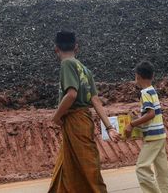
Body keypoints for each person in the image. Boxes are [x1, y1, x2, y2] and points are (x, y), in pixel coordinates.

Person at [48, 30, 120, 193]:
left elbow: (71, 94)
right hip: (84, 121)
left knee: (87, 170)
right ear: (77, 47)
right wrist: (109, 127)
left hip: (75, 121)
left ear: (56, 49)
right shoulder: (85, 69)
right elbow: (95, 100)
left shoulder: (66, 64)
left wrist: (56, 116)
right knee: (69, 166)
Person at [124, 60, 168, 193]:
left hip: (152, 138)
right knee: (162, 170)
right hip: (160, 135)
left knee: (141, 168)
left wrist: (132, 124)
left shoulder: (145, 93)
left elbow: (151, 114)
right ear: (152, 76)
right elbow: (152, 113)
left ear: (137, 76)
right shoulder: (152, 91)